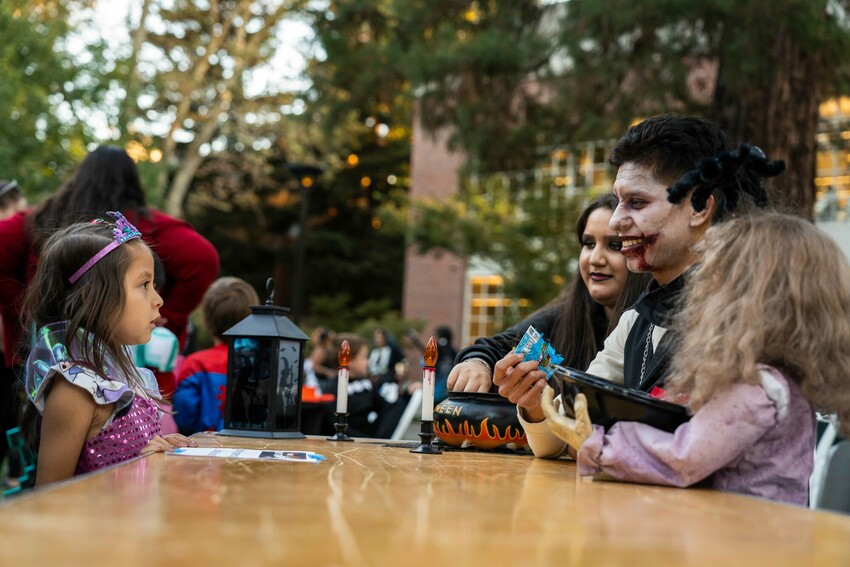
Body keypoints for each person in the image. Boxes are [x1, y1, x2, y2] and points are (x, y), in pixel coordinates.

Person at [539, 213, 850, 505]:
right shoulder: (775, 381)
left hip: (741, 533)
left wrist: (598, 443)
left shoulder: (758, 388)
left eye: (713, 282)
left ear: (749, 302)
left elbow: (683, 457)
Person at [499, 115, 779, 430]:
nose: (616, 221)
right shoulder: (636, 320)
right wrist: (534, 406)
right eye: (619, 201)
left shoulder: (749, 314)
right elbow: (575, 420)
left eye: (637, 202)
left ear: (699, 207)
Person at [0, 146, 220, 395]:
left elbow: (202, 259)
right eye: (144, 284)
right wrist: (27, 305)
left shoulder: (43, 218)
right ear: (132, 182)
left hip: (101, 360)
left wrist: (26, 306)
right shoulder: (140, 224)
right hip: (63, 356)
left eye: (150, 284)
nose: (155, 298)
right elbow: (203, 257)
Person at [19, 212, 196, 486]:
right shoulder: (76, 390)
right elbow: (49, 499)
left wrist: (158, 451)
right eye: (144, 285)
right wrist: (135, 470)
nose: (158, 300)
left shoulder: (122, 378)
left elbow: (129, 456)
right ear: (91, 297)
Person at [448, 193, 651, 395]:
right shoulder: (561, 320)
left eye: (614, 245)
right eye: (589, 244)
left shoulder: (656, 327)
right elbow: (495, 348)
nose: (595, 259)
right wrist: (478, 364)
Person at [172, 277, 259, 435]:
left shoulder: (196, 364)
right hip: (252, 445)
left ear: (207, 318)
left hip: (203, 447)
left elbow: (184, 414)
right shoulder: (261, 363)